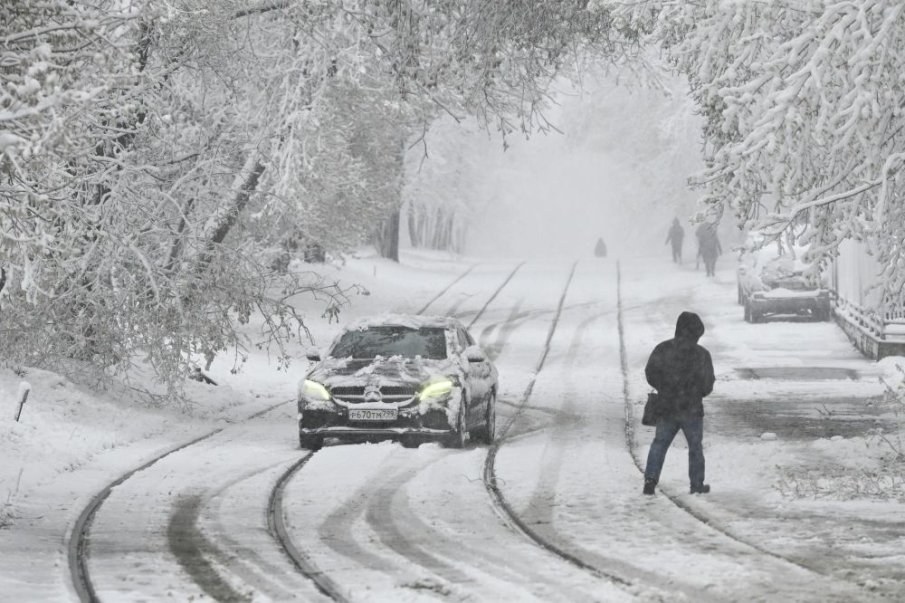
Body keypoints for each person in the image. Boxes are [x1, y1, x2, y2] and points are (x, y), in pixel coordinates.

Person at [642, 311, 715, 495]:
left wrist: (664, 387)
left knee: (659, 444)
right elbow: (708, 383)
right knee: (695, 448)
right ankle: (696, 484)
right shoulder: (702, 354)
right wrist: (696, 392)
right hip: (692, 409)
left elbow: (650, 372)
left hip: (667, 407)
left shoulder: (663, 349)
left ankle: (650, 479)